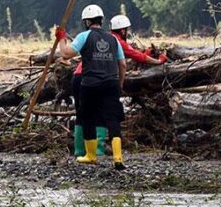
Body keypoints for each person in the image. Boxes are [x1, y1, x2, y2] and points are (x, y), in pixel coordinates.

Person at [71, 14, 167, 158]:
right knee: (103, 114)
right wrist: (158, 61)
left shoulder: (101, 37)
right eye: (127, 30)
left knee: (82, 113)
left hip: (80, 76)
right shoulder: (115, 40)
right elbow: (133, 57)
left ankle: (80, 150)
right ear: (122, 30)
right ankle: (98, 150)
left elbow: (132, 53)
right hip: (93, 78)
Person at [57, 4, 127, 169]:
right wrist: (119, 84)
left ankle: (91, 155)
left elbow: (66, 54)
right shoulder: (113, 39)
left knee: (88, 117)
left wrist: (61, 38)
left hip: (90, 83)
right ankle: (118, 158)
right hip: (111, 83)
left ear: (87, 21)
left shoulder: (84, 36)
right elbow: (122, 64)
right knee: (113, 119)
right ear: (101, 20)